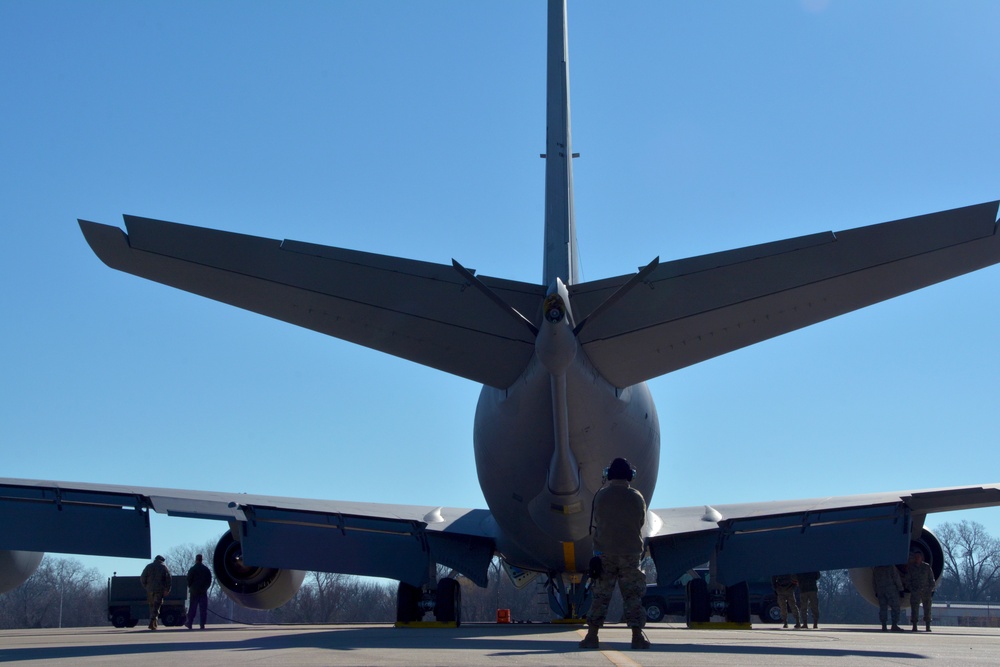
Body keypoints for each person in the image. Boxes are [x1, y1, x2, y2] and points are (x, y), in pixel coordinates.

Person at [579, 457, 650, 651]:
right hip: (630, 554)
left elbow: (598, 520)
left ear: (608, 475)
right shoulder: (637, 497)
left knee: (601, 596)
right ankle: (637, 637)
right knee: (633, 597)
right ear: (630, 476)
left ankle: (592, 636)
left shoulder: (600, 496)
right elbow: (641, 521)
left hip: (605, 553)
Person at [139, 555, 172, 631]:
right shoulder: (163, 567)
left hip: (150, 590)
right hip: (159, 590)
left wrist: (146, 587)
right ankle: (152, 622)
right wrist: (167, 589)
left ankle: (154, 623)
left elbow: (142, 578)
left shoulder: (148, 567)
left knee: (152, 606)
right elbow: (169, 579)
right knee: (156, 606)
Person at [906, 551, 936, 632]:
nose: (917, 558)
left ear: (921, 558)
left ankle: (928, 625)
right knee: (914, 609)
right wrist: (912, 589)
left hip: (926, 591)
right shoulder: (911, 568)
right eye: (915, 557)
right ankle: (914, 625)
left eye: (918, 557)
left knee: (927, 609)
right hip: (915, 591)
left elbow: (931, 579)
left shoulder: (926, 567)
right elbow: (908, 580)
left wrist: (930, 589)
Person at [872, 564, 904, 632]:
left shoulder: (876, 568)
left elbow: (874, 581)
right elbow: (896, 578)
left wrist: (876, 591)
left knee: (883, 608)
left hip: (880, 590)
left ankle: (884, 625)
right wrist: (901, 589)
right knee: (895, 607)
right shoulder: (891, 567)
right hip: (891, 590)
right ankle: (894, 624)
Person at [185, 554, 213, 630]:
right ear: (202, 559)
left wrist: (191, 587)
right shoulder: (206, 569)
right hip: (203, 591)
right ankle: (202, 624)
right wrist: (205, 588)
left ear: (196, 559)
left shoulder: (193, 569)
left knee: (192, 608)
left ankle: (190, 623)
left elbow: (189, 580)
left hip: (194, 591)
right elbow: (209, 580)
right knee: (203, 609)